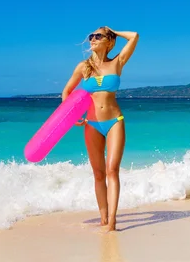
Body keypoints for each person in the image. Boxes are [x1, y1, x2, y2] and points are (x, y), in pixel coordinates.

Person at [61, 26, 139, 232]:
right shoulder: (83, 67)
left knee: (112, 170)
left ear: (109, 42)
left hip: (114, 121)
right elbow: (67, 91)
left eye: (98, 36)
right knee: (98, 174)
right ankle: (103, 219)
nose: (92, 39)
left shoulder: (117, 63)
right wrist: (71, 116)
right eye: (91, 36)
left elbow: (134, 36)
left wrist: (112, 30)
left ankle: (112, 222)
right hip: (91, 124)